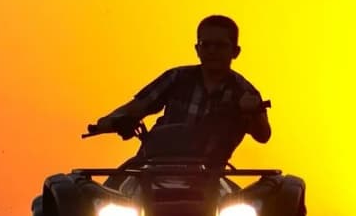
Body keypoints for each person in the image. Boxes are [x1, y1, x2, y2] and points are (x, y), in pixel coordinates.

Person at [89, 14, 271, 164]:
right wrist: (107, 122)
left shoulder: (245, 91)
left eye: (220, 45)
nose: (212, 51)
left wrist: (254, 112)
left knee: (251, 203)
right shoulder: (176, 77)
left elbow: (263, 136)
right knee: (105, 195)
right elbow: (138, 107)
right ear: (197, 49)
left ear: (235, 51)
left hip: (209, 178)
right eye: (205, 44)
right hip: (152, 167)